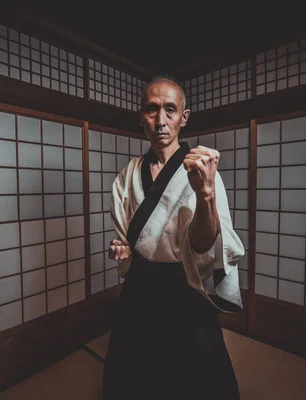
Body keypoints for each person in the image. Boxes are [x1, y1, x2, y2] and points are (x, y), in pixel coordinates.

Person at [102, 74, 245, 400]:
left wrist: (205, 194)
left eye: (170, 110)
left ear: (185, 116)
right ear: (141, 116)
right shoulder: (127, 175)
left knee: (198, 376)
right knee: (133, 373)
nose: (161, 121)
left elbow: (205, 246)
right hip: (141, 285)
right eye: (152, 110)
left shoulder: (201, 168)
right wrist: (122, 248)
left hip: (185, 286)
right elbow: (128, 234)